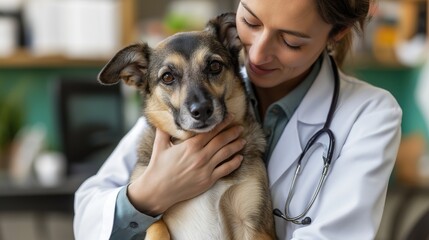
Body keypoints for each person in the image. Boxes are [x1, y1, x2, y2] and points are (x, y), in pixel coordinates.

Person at [74, 0, 403, 239]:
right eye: (251, 22)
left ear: (337, 33)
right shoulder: (167, 117)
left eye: (291, 41)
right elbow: (89, 216)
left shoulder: (370, 115)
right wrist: (149, 195)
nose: (256, 54)